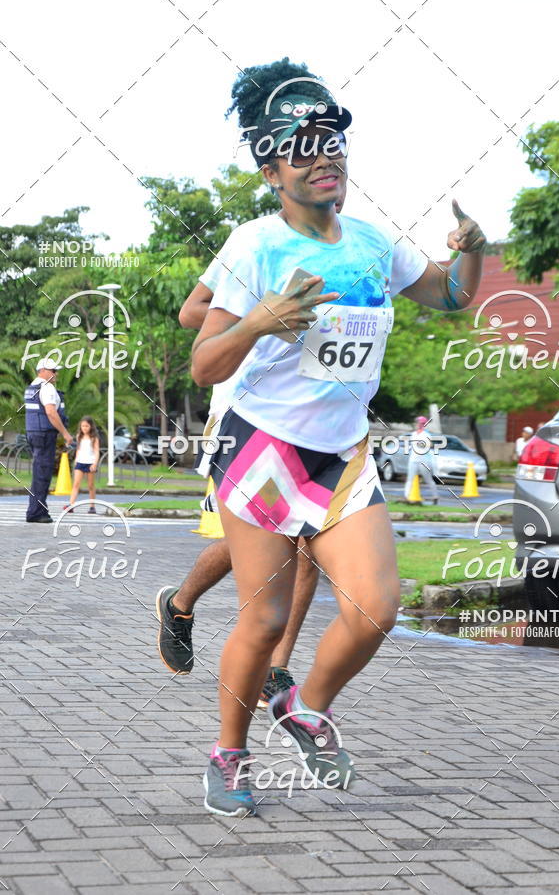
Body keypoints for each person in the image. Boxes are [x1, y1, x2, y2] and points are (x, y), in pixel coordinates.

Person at [190, 60, 486, 817]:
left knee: (376, 607)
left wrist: (473, 250)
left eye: (332, 144)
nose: (324, 156)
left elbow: (451, 294)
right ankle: (228, 754)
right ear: (270, 168)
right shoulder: (253, 246)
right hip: (262, 446)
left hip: (343, 451)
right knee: (264, 619)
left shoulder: (371, 243)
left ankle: (307, 706)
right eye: (301, 145)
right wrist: (258, 322)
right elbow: (203, 363)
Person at [155, 129, 346, 704]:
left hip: (317, 415)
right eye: (304, 162)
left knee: (310, 543)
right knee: (272, 544)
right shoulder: (253, 247)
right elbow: (193, 313)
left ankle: (277, 666)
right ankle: (180, 603)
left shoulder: (351, 246)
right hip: (243, 409)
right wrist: (257, 316)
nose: (323, 171)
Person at [24, 358, 73, 523]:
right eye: (53, 371)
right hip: (44, 435)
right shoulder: (47, 387)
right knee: (43, 474)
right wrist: (65, 433)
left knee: (39, 472)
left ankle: (35, 510)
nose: (56, 374)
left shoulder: (32, 388)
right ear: (43, 370)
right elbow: (51, 413)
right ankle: (36, 512)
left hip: (34, 433)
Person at [64, 416, 100, 514]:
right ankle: (71, 505)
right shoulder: (79, 436)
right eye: (83, 426)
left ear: (91, 426)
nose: (84, 428)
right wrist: (76, 459)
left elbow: (97, 452)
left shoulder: (94, 438)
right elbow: (78, 450)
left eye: (86, 426)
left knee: (91, 485)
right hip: (80, 462)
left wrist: (95, 464)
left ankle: (92, 506)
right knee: (76, 484)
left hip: (90, 463)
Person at [403, 415, 439, 504]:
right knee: (410, 479)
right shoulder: (413, 434)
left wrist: (422, 444)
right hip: (413, 459)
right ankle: (406, 497)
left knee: (428, 479)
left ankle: (435, 496)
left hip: (424, 460)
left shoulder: (426, 435)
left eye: (420, 423)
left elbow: (430, 445)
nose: (418, 424)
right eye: (417, 422)